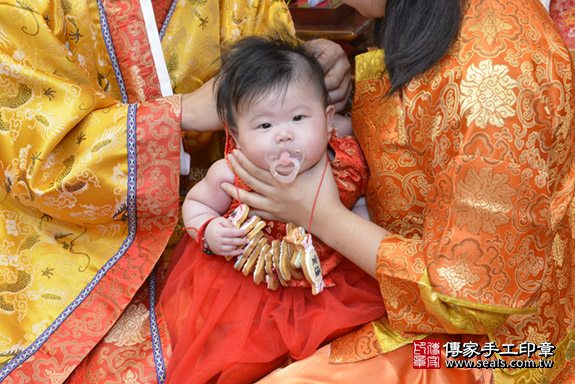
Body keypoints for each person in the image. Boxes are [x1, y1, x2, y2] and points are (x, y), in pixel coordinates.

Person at [222, 0, 575, 382]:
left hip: (498, 350)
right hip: (405, 286)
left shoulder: (492, 79)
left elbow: (470, 298)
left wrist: (319, 215)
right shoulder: (434, 16)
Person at [0, 1, 352, 383]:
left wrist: (309, 69)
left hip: (250, 237)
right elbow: (30, 150)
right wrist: (177, 114)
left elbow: (278, 93)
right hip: (75, 239)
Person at [159, 34, 386, 384]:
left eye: (298, 118)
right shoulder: (232, 172)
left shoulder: (343, 164)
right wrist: (208, 232)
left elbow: (356, 205)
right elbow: (198, 203)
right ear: (234, 132)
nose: (284, 135)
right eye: (264, 125)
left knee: (342, 349)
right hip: (246, 285)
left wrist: (354, 235)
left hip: (326, 283)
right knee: (238, 355)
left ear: (328, 120)